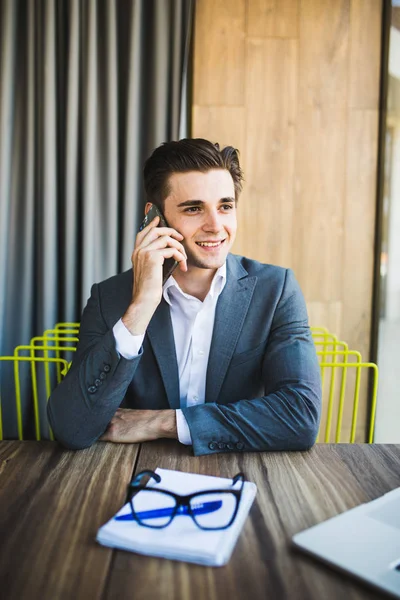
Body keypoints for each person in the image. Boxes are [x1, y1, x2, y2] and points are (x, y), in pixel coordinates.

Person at [48, 138, 321, 455]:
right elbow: (72, 428)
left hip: (241, 473)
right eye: (194, 209)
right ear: (154, 218)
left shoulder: (276, 290)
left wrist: (163, 423)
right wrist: (141, 306)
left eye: (225, 206)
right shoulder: (109, 298)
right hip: (132, 475)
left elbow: (300, 417)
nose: (215, 226)